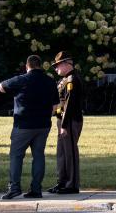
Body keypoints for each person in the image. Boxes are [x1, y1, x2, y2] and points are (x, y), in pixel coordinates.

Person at [0, 55, 59, 199]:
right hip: (43, 125)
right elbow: (55, 105)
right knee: (38, 156)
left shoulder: (21, 79)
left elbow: (0, 87)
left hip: (23, 125)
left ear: (27, 66)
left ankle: (14, 188)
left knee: (16, 156)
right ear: (40, 65)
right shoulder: (50, 81)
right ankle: (36, 189)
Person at [48, 51, 83, 195]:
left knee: (70, 153)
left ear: (66, 64)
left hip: (69, 120)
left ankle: (72, 185)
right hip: (62, 119)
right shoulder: (65, 79)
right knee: (62, 153)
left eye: (57, 65)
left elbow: (69, 104)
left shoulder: (72, 80)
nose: (56, 69)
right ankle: (62, 182)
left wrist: (63, 125)